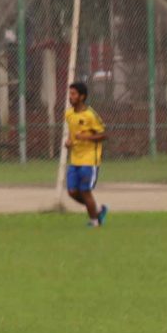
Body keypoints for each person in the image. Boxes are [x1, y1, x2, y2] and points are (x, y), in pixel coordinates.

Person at [65, 81, 107, 227]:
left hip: (90, 159)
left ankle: (95, 221)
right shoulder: (69, 113)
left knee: (85, 191)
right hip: (75, 158)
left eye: (74, 94)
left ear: (82, 97)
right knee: (72, 191)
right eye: (70, 93)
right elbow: (72, 134)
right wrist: (69, 142)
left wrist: (87, 137)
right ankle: (98, 210)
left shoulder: (90, 115)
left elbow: (103, 135)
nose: (70, 96)